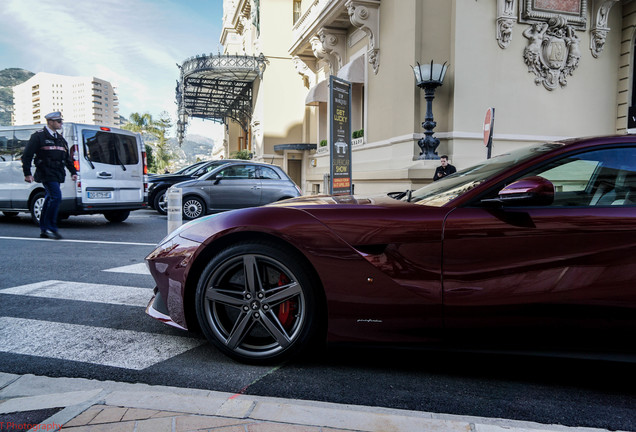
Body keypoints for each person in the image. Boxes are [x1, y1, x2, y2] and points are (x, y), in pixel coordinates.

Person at [22, 111, 78, 239]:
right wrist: (27, 173)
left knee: (49, 199)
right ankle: (51, 228)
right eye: (59, 121)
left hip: (57, 173)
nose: (61, 123)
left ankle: (44, 229)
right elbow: (27, 155)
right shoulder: (39, 136)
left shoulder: (60, 138)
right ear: (50, 122)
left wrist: (73, 172)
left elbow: (67, 158)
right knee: (56, 197)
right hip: (46, 172)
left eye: (61, 121)